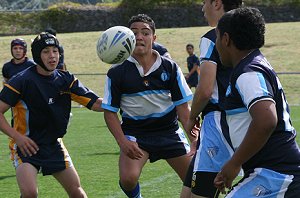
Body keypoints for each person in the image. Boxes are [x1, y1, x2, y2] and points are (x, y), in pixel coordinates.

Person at [101, 14, 198, 198]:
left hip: (169, 132)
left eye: (145, 33)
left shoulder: (170, 68)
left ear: (154, 38)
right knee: (128, 179)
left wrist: (195, 137)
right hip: (136, 135)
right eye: (134, 33)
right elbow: (110, 113)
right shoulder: (117, 72)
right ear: (127, 38)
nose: (139, 37)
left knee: (196, 181)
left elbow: (184, 111)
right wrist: (123, 142)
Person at [0, 32, 103, 198]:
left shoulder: (65, 79)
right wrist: (17, 137)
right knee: (29, 193)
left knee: (78, 194)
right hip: (26, 146)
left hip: (53, 144)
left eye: (55, 51)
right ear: (37, 55)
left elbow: (96, 103)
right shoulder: (21, 80)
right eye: (46, 51)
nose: (52, 56)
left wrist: (119, 101)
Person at [214, 7, 300, 197]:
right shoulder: (252, 65)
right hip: (273, 172)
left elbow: (266, 120)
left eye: (217, 37)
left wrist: (234, 163)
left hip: (277, 174)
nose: (216, 45)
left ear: (226, 39)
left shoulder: (249, 72)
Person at [180, 0, 243, 197]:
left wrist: (191, 118)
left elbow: (205, 89)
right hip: (238, 120)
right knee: (187, 194)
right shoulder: (246, 36)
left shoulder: (211, 37)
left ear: (217, 3)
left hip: (218, 122)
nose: (202, 8)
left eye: (204, 2)